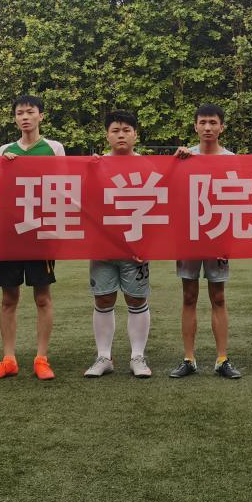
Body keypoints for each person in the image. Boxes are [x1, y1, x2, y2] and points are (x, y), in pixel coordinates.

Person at [0, 95, 65, 382]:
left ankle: (41, 358)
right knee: (9, 298)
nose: (25, 117)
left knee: (42, 297)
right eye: (20, 113)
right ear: (15, 118)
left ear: (41, 116)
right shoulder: (5, 150)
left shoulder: (54, 148)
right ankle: (9, 359)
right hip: (10, 233)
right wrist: (4, 166)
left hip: (40, 232)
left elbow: (63, 184)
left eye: (30, 112)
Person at [169, 103, 241, 379]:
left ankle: (222, 359)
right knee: (188, 296)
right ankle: (189, 358)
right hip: (188, 235)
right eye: (203, 122)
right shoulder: (184, 155)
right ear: (195, 126)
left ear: (222, 127)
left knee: (218, 296)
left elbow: (239, 197)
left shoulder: (231, 159)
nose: (208, 128)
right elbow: (168, 189)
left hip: (218, 234)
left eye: (213, 122)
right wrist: (175, 163)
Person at [84, 110, 153, 379]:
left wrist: (149, 244)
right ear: (107, 135)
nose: (121, 135)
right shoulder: (95, 165)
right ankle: (104, 356)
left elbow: (160, 205)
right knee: (103, 298)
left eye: (126, 130)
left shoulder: (148, 166)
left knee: (137, 298)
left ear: (136, 135)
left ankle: (137, 356)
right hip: (102, 245)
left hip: (136, 246)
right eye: (115, 130)